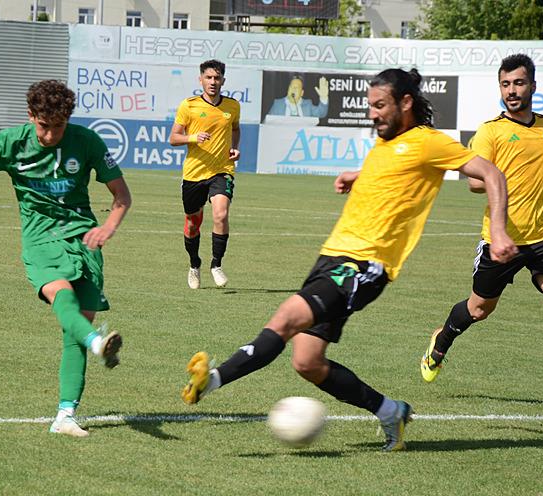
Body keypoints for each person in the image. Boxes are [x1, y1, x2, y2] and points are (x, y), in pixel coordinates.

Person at [181, 68, 518, 451]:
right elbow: (391, 170)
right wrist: (358, 174)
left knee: (285, 319)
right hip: (332, 256)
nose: (372, 114)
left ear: (405, 103)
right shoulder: (386, 143)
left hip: (365, 266)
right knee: (307, 362)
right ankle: (390, 411)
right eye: (370, 106)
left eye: (380, 106)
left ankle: (212, 379)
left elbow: (491, 173)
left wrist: (500, 231)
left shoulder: (428, 143)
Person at [419, 54, 543, 413]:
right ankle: (442, 339)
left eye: (519, 83)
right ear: (500, 88)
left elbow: (542, 177)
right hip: (502, 238)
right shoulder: (490, 130)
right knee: (479, 309)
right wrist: (496, 180)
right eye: (506, 84)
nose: (512, 91)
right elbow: (474, 183)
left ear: (533, 86)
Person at [0, 80, 132, 438]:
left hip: (84, 239)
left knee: (73, 330)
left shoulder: (87, 141)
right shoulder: (11, 142)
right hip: (40, 238)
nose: (50, 135)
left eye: (58, 127)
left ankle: (65, 415)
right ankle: (96, 342)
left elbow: (121, 195)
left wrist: (108, 226)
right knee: (62, 299)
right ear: (31, 116)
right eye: (44, 126)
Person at [170, 59, 240, 289]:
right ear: (200, 79)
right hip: (194, 173)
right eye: (208, 77)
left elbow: (235, 128)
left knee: (221, 214)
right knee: (192, 223)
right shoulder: (188, 106)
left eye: (217, 78)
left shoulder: (232, 106)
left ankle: (216, 264)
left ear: (223, 80)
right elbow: (173, 138)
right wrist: (193, 137)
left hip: (222, 171)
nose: (213, 82)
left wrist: (234, 147)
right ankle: (194, 264)